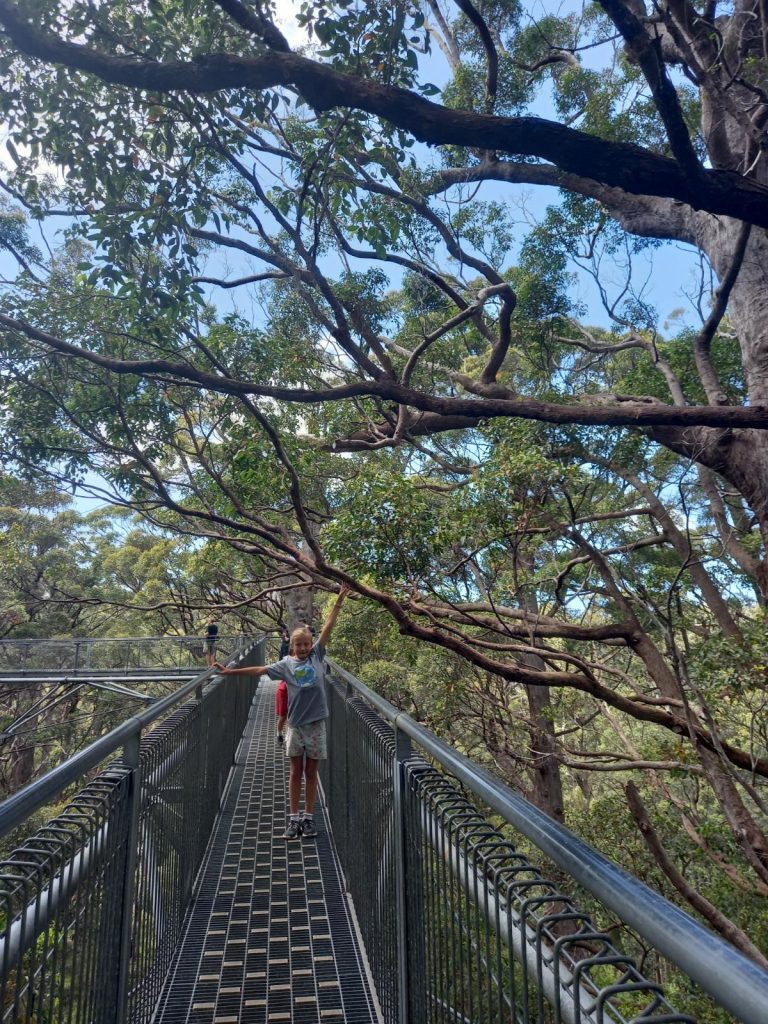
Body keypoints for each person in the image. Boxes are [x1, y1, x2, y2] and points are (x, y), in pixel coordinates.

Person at [216, 584, 350, 839]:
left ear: (312, 645)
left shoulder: (317, 656)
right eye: (298, 645)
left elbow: (329, 628)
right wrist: (230, 672)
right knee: (294, 773)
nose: (302, 648)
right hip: (296, 725)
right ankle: (293, 819)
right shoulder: (286, 665)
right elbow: (260, 671)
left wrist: (339, 602)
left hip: (316, 724)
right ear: (292, 647)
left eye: (306, 644)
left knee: (311, 773)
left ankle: (309, 819)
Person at [276, 679, 288, 746]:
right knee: (283, 716)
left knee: (290, 716)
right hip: (283, 692)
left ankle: (287, 738)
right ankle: (279, 735)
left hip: (293, 692)